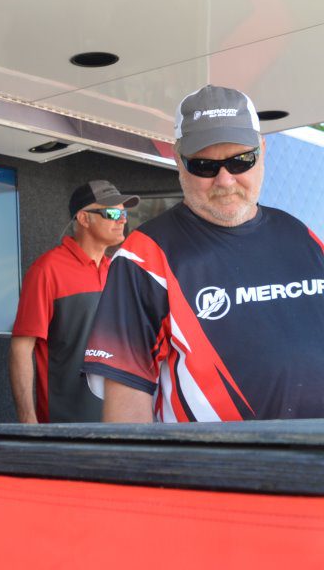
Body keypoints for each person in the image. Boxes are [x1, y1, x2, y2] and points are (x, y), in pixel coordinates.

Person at [83, 85, 324, 422]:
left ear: (263, 150)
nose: (225, 180)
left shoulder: (301, 235)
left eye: (241, 161)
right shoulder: (144, 256)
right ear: (179, 161)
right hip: (212, 457)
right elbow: (126, 402)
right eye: (204, 166)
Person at [9, 180, 139, 423]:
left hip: (117, 423)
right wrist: (28, 422)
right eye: (112, 213)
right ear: (83, 218)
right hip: (63, 425)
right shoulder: (47, 270)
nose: (122, 220)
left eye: (124, 214)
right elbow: (22, 348)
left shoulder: (118, 271)